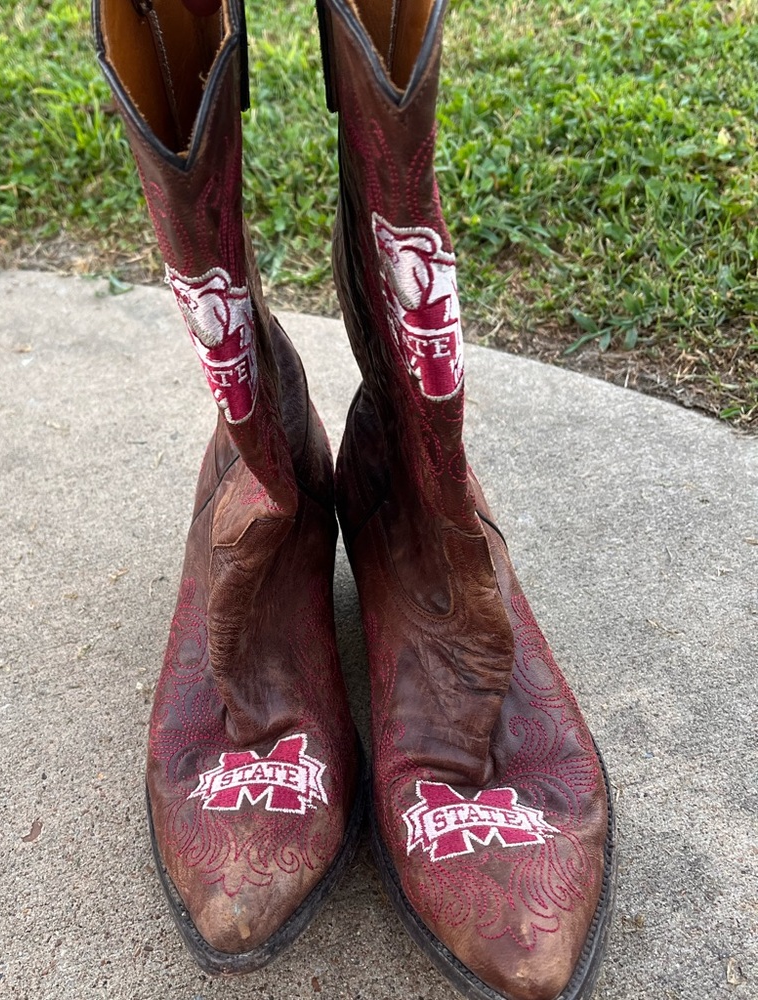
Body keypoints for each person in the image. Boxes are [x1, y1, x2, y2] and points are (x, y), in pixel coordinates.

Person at [93, 3, 614, 998]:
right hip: (271, 469)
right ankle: (270, 488)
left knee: (392, 67)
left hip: (418, 484)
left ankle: (418, 510)